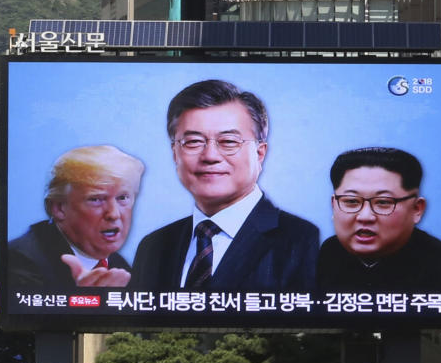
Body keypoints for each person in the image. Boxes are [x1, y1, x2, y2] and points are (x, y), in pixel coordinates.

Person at [132, 79, 318, 290]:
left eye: (229, 141)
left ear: (260, 153)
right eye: (193, 142)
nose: (210, 156)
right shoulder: (154, 246)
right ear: (175, 153)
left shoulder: (304, 240)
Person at [317, 147, 441, 291]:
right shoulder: (329, 253)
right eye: (352, 201)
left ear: (417, 209)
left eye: (383, 202)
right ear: (334, 205)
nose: (365, 217)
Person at [7, 144, 145, 288]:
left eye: (122, 198)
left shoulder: (120, 267)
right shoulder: (20, 261)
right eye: (96, 199)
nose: (114, 214)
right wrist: (86, 300)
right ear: (59, 208)